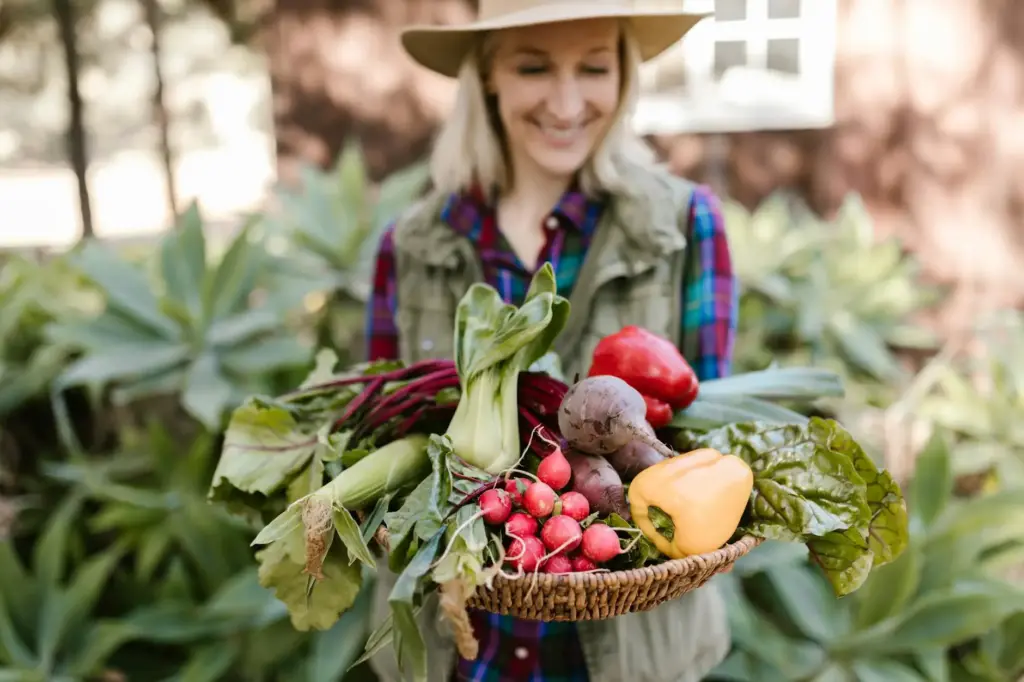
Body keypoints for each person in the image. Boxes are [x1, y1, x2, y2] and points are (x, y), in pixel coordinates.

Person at [364, 1, 738, 681]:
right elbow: (382, 430)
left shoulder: (686, 226)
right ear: (488, 78)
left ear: (623, 77)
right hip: (461, 647)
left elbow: (702, 445)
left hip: (632, 651)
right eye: (534, 66)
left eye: (593, 67)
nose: (566, 103)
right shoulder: (411, 245)